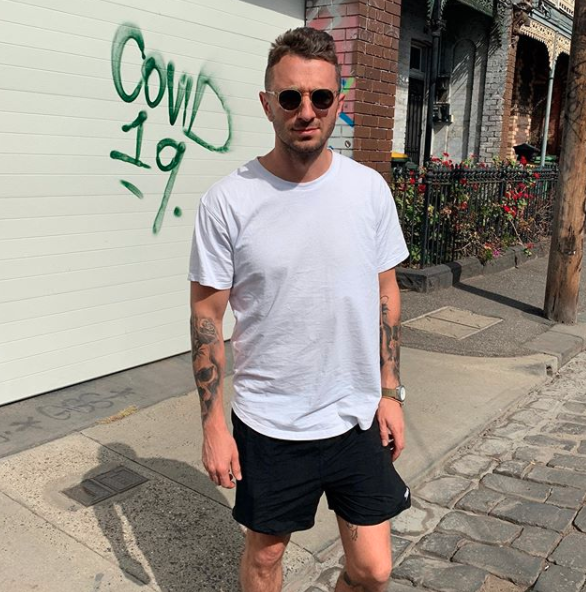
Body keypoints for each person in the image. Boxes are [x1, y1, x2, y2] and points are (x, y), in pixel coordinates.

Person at [188, 27, 410, 592]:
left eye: (321, 97)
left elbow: (386, 292)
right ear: (267, 104)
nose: (306, 111)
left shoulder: (369, 191)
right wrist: (215, 424)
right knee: (265, 558)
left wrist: (389, 393)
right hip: (269, 420)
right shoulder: (228, 201)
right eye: (290, 97)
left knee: (372, 570)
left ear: (339, 101)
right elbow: (207, 315)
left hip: (353, 414)